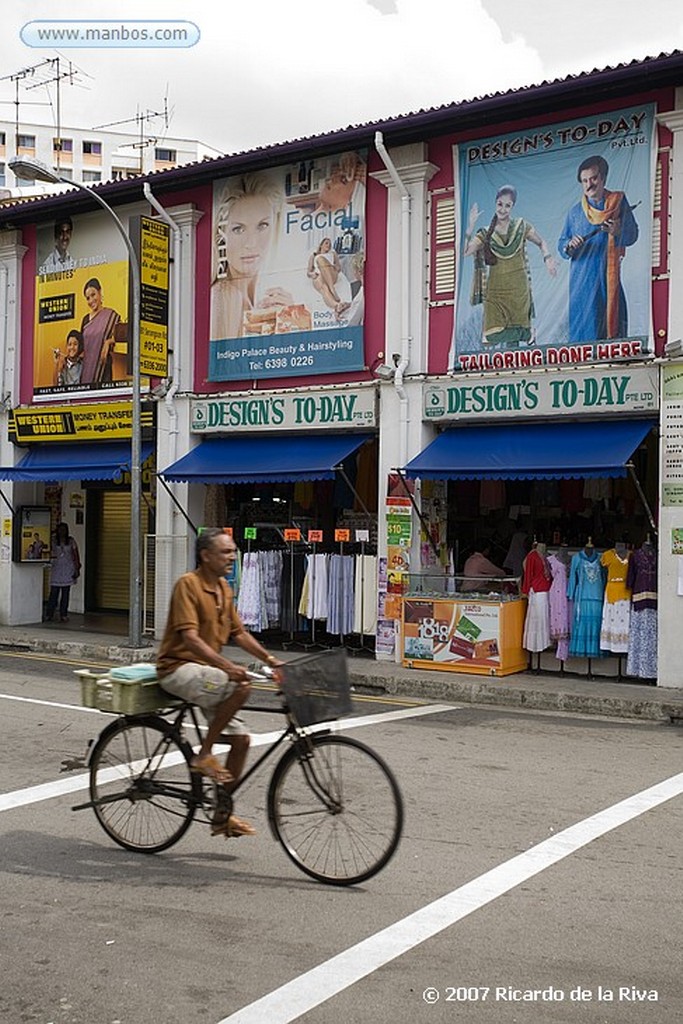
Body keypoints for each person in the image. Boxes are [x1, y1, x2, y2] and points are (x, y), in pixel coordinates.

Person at [156, 528, 283, 839]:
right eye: (225, 552)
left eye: (233, 551)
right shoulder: (188, 584)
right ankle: (205, 753)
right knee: (240, 685)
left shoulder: (224, 589)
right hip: (178, 669)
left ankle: (221, 814)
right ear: (206, 556)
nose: (232, 557)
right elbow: (191, 638)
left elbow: (238, 634)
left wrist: (271, 660)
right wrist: (228, 667)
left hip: (206, 675)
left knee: (242, 741)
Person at [558, 155, 639, 343]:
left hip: (608, 280)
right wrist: (569, 245)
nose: (589, 184)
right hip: (582, 284)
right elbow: (562, 244)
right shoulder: (575, 212)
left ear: (603, 178)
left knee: (611, 328)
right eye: (585, 181)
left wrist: (618, 230)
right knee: (583, 334)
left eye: (593, 178)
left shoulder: (617, 203)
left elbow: (633, 234)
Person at [464, 185, 557, 347]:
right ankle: (523, 340)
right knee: (493, 334)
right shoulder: (485, 233)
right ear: (495, 204)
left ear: (512, 206)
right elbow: (465, 251)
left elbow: (541, 242)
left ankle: (517, 363)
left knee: (515, 338)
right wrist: (470, 226)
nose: (503, 209)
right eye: (500, 204)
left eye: (508, 205)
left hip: (518, 290)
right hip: (495, 292)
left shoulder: (521, 226)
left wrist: (548, 258)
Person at [210, 174, 293, 341]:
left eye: (262, 226)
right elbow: (232, 366)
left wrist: (289, 319)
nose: (251, 243)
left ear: (275, 225)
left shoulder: (259, 297)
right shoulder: (227, 296)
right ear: (221, 235)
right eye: (238, 229)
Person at [80, 278, 120, 385]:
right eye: (88, 298)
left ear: (100, 292)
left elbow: (120, 338)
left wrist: (108, 342)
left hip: (103, 368)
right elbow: (81, 347)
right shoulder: (85, 320)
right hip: (86, 369)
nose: (91, 300)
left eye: (93, 295)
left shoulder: (111, 316)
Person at [44, 523, 80, 622]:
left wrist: (77, 568)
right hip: (56, 569)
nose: (62, 532)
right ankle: (49, 614)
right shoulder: (53, 541)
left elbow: (76, 555)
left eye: (64, 530)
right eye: (60, 530)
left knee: (65, 593)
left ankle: (63, 614)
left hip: (68, 569)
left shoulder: (71, 541)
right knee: (54, 593)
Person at [307, 237, 349, 315]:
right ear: (321, 245)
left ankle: (332, 288)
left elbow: (338, 267)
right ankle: (336, 305)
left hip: (331, 274)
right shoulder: (314, 255)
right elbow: (308, 272)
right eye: (326, 243)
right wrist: (312, 274)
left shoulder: (332, 253)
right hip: (319, 275)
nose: (328, 245)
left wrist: (336, 268)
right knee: (324, 288)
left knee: (320, 259)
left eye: (330, 244)